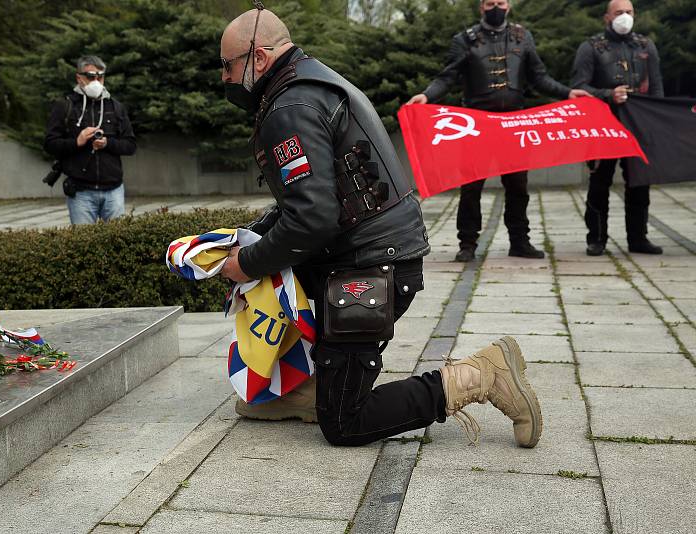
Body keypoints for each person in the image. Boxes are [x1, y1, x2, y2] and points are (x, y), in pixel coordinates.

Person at [218, 6, 543, 449]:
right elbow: (313, 199)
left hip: (369, 270)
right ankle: (306, 387)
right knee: (277, 294)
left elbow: (311, 218)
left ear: (257, 58)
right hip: (369, 254)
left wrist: (248, 262)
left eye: (228, 65)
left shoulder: (289, 105)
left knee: (345, 423)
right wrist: (251, 236)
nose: (224, 77)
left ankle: (482, 374)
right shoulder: (315, 82)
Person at [408, 0, 590, 263]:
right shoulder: (465, 40)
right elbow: (447, 77)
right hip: (478, 125)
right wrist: (426, 96)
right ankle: (467, 243)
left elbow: (539, 77)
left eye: (501, 2)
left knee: (518, 186)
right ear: (482, 7)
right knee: (471, 187)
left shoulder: (522, 36)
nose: (496, 7)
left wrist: (568, 92)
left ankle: (520, 241)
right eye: (491, 3)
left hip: (512, 126)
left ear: (509, 6)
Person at [572, 0, 664, 256]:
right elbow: (580, 87)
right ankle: (597, 239)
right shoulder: (591, 48)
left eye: (629, 12)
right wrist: (607, 94)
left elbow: (656, 87)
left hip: (638, 125)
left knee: (639, 183)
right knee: (599, 182)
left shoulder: (646, 46)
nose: (624, 17)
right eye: (619, 13)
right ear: (606, 17)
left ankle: (638, 238)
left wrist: (654, 122)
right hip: (603, 126)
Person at [43, 55, 136, 225]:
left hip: (113, 189)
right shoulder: (65, 105)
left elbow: (130, 145)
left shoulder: (115, 106)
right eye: (90, 76)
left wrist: (108, 143)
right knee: (83, 245)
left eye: (100, 76)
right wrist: (76, 142)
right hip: (81, 192)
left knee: (118, 243)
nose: (96, 81)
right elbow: (50, 144)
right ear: (79, 77)